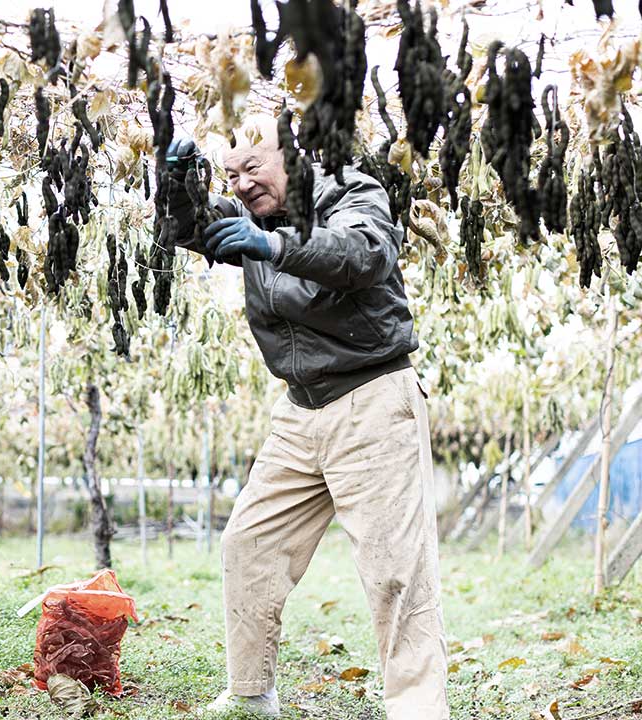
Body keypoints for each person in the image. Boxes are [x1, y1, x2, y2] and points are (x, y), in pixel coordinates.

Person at [166, 116, 448, 720]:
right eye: (231, 173)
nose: (240, 184)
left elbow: (363, 255)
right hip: (300, 410)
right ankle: (250, 694)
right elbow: (187, 226)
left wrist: (273, 245)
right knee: (251, 544)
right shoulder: (251, 216)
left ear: (292, 155)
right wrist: (176, 181)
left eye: (253, 168)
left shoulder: (350, 192)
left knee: (396, 573)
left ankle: (417, 710)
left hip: (372, 400)